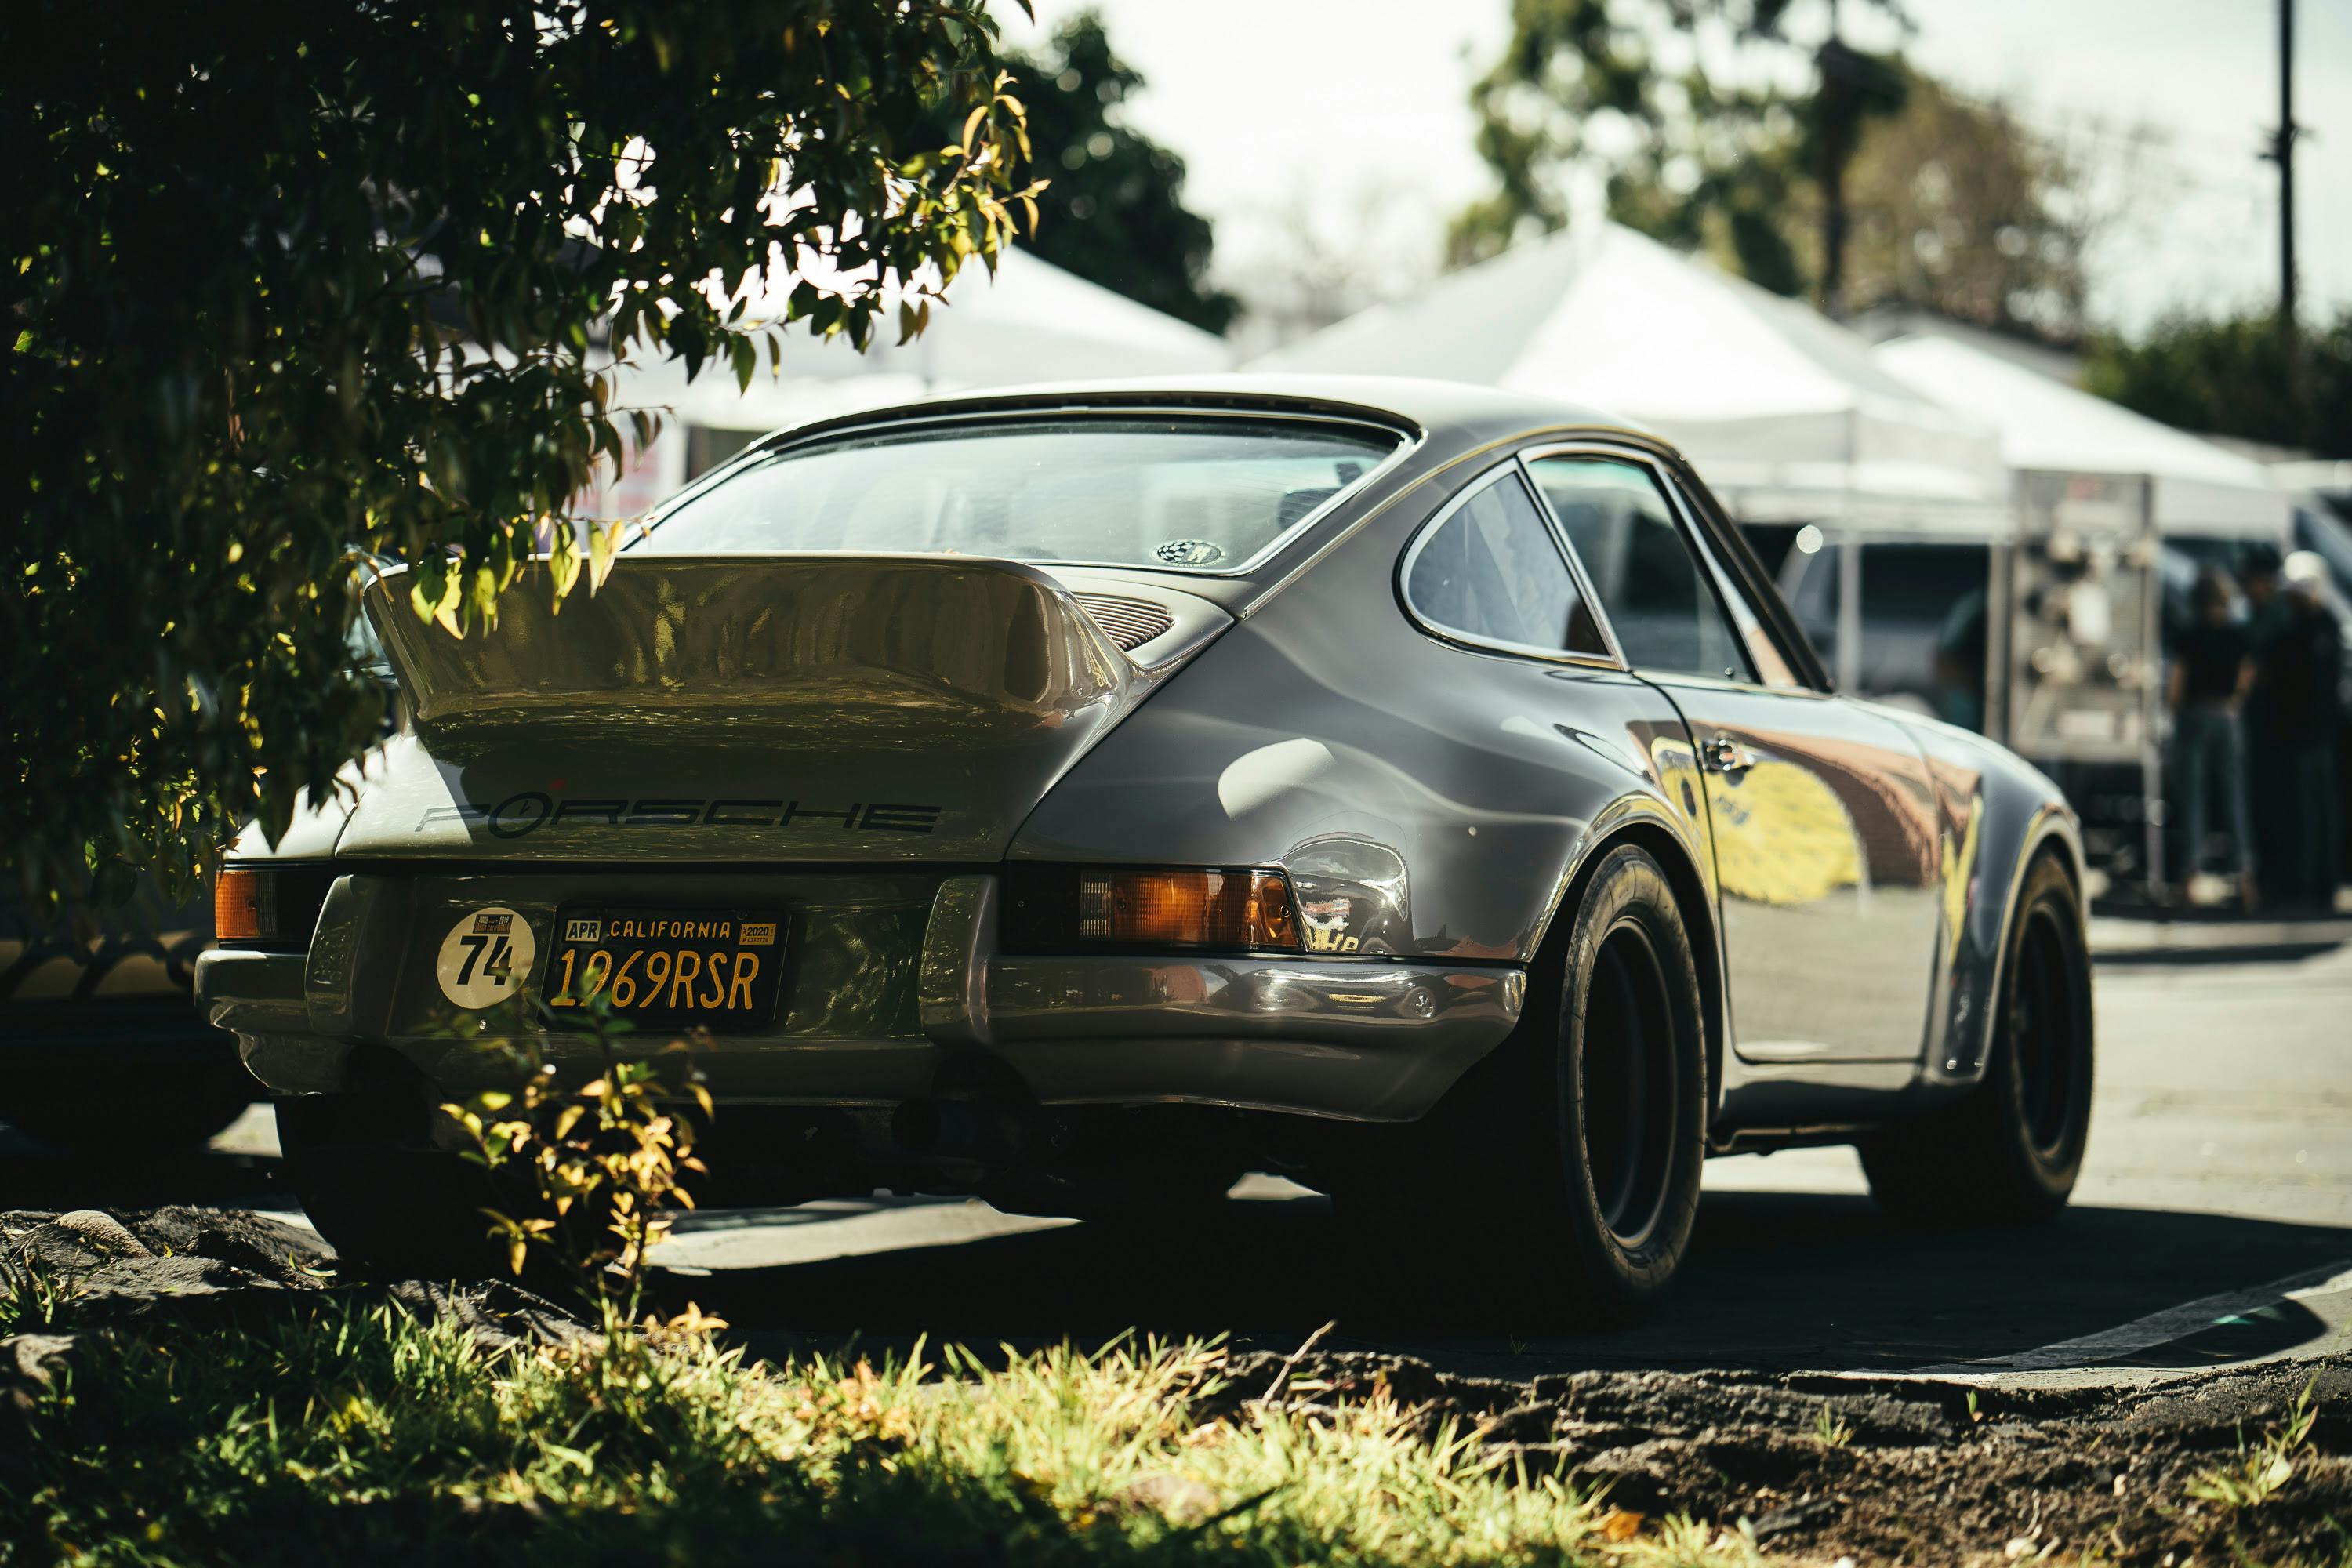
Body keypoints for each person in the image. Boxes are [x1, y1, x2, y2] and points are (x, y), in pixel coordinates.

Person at [2168, 568, 2257, 909]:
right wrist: (2235, 700)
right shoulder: (2238, 636)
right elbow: (2246, 676)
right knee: (2234, 796)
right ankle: (2247, 877)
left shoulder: (2190, 636)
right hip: (2228, 715)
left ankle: (2190, 876)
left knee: (2194, 797)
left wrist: (2174, 711)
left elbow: (2178, 680)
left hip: (2196, 714)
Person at [2263, 554, 2345, 909]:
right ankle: (2312, 881)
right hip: (2312, 736)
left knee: (2311, 813)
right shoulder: (2322, 627)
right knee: (2311, 811)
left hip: (2307, 737)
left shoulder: (2310, 631)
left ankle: (2312, 881)